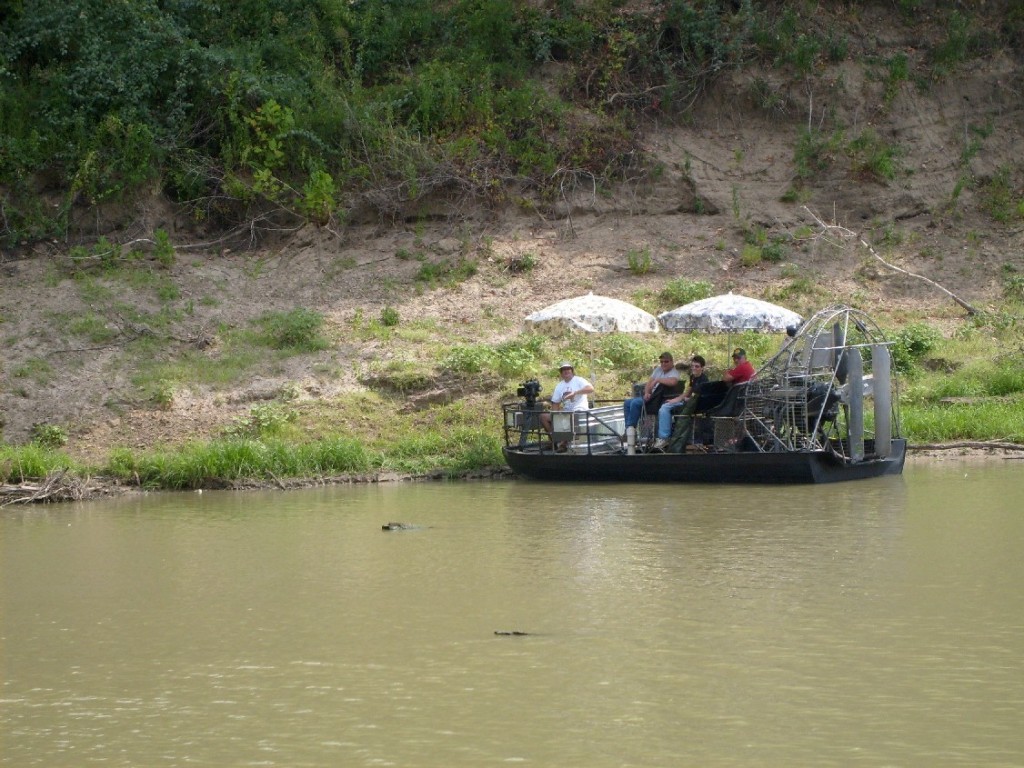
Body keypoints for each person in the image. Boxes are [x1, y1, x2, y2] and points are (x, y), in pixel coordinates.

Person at [667, 348, 755, 452]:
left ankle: (721, 444)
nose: (736, 360)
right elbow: (688, 393)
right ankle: (728, 443)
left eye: (739, 358)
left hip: (733, 405)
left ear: (745, 358)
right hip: (740, 403)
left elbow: (726, 378)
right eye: (735, 358)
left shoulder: (743, 368)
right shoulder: (749, 368)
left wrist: (727, 372)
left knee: (706, 412)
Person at [652, 355, 707, 451]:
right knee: (665, 406)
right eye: (692, 366)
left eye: (697, 366)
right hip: (688, 402)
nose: (694, 368)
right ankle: (664, 437)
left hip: (695, 405)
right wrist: (675, 400)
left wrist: (686, 399)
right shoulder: (692, 377)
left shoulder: (704, 380)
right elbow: (687, 393)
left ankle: (665, 437)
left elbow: (696, 397)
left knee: (667, 408)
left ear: (702, 368)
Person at [540, 362, 594, 451]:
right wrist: (555, 415)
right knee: (543, 417)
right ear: (561, 373)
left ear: (572, 371)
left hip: (579, 410)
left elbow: (590, 389)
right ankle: (554, 440)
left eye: (568, 369)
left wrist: (575, 393)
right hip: (566, 411)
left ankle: (563, 444)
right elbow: (555, 402)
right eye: (563, 370)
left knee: (570, 416)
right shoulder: (560, 385)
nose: (566, 371)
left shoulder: (579, 380)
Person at [623, 352, 681, 431]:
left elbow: (673, 382)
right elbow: (648, 383)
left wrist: (658, 380)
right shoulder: (658, 370)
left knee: (635, 403)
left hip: (658, 400)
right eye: (661, 362)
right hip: (651, 396)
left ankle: (631, 429)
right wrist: (647, 393)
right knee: (627, 403)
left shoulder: (674, 372)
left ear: (671, 362)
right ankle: (628, 429)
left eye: (666, 361)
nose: (663, 364)